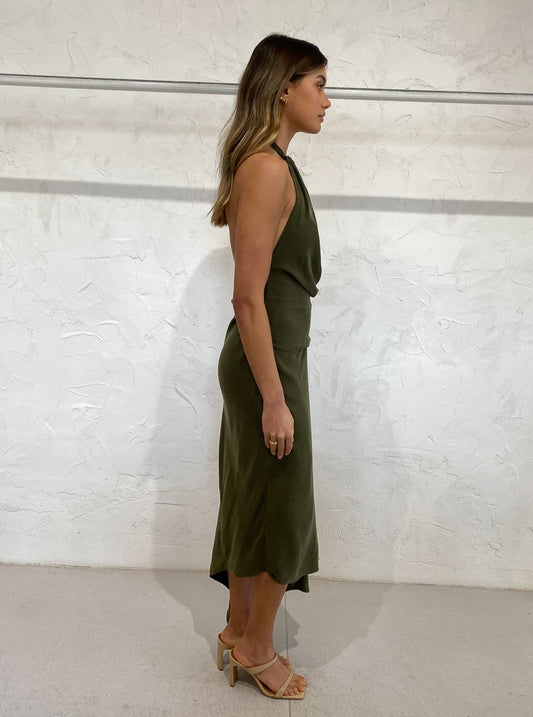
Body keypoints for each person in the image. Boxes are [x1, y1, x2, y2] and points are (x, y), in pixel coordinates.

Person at [209, 33, 331, 700]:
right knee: (282, 503)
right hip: (268, 361)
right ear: (284, 88)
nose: (326, 100)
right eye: (319, 85)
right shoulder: (265, 168)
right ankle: (257, 646)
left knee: (256, 496)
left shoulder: (276, 164)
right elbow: (247, 297)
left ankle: (237, 631)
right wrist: (275, 398)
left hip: (276, 354)